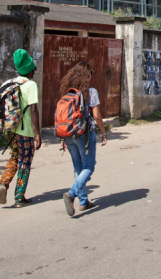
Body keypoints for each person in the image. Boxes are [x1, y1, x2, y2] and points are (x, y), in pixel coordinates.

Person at [0, 49, 41, 208]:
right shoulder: (30, 85)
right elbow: (34, 111)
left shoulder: (9, 83)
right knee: (25, 162)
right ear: (29, 70)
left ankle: (4, 183)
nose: (35, 71)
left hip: (11, 129)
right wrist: (38, 134)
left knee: (14, 157)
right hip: (25, 132)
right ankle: (19, 197)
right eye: (33, 68)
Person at [61, 61, 108, 216]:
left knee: (78, 168)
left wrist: (63, 137)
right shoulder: (90, 92)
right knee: (88, 167)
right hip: (85, 134)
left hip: (68, 134)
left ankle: (83, 201)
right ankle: (71, 194)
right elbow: (97, 116)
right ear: (87, 76)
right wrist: (104, 132)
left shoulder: (68, 92)